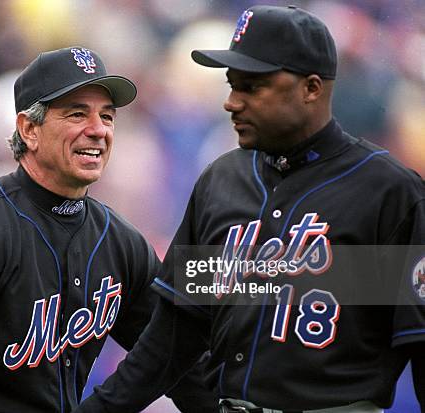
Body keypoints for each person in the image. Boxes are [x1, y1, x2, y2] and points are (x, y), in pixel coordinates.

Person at [75, 5, 425, 413]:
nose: (231, 102)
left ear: (312, 88)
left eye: (251, 87)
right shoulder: (220, 181)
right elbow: (174, 336)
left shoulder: (390, 192)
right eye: (231, 84)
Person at [0, 46, 217, 413]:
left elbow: (174, 355)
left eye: (107, 117)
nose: (98, 130)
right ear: (29, 129)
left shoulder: (120, 241)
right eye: (77, 114)